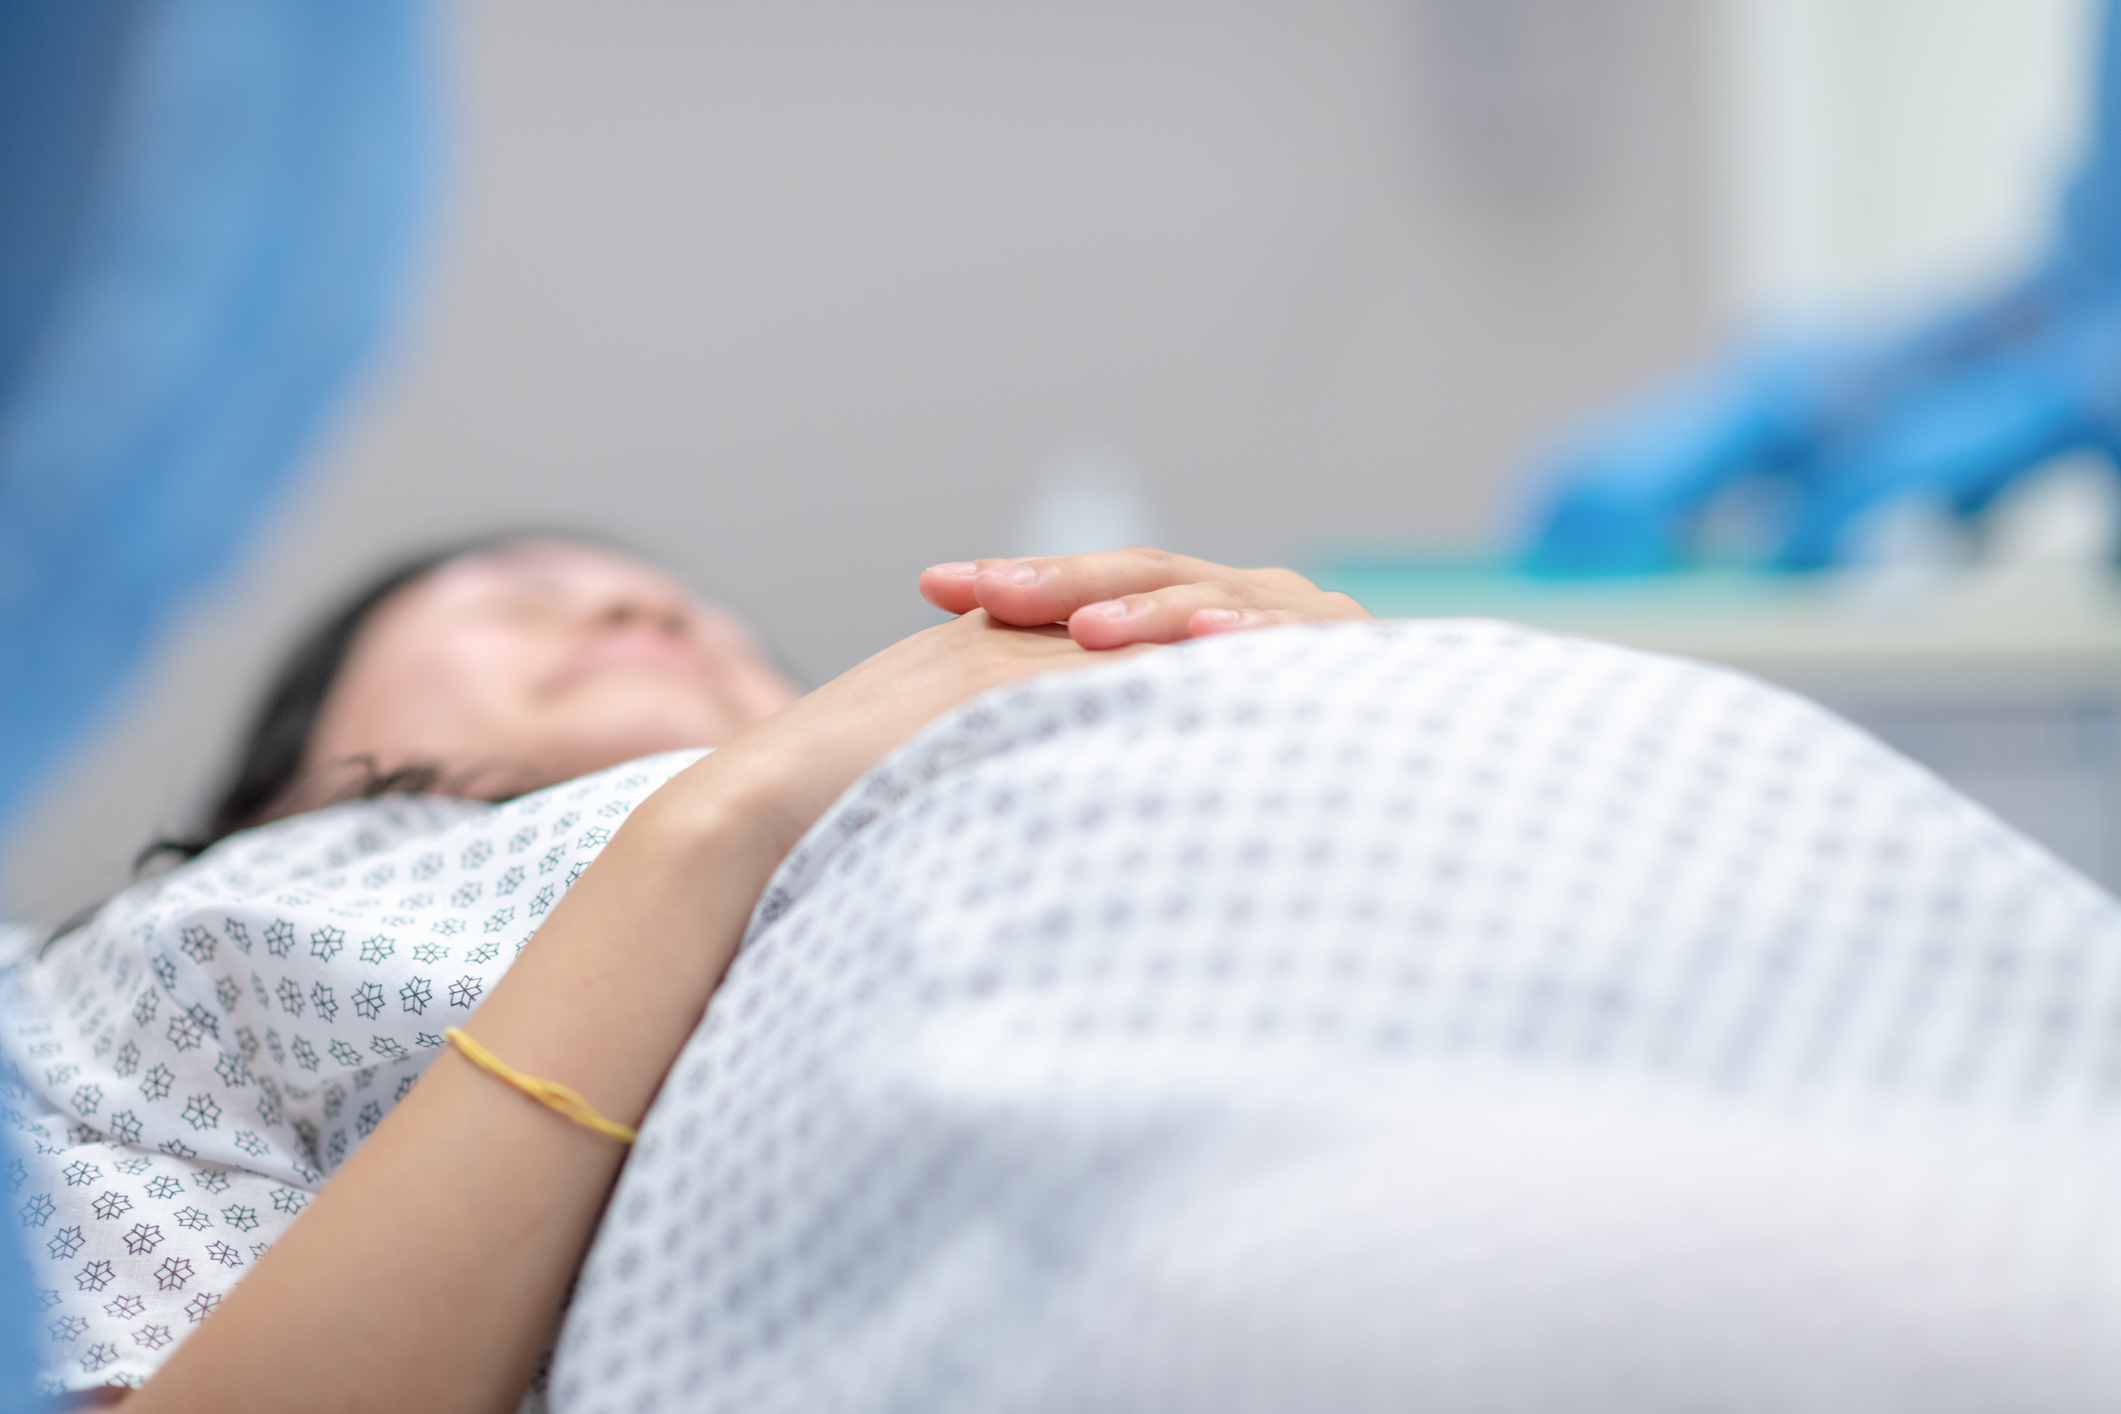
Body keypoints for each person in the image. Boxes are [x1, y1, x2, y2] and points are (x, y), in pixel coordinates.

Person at [0, 538, 1370, 1406]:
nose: (634, 594)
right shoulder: (155, 961)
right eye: (516, 599)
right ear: (275, 794)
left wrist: (1320, 705)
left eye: (716, 625)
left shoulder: (924, 791)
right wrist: (722, 818)